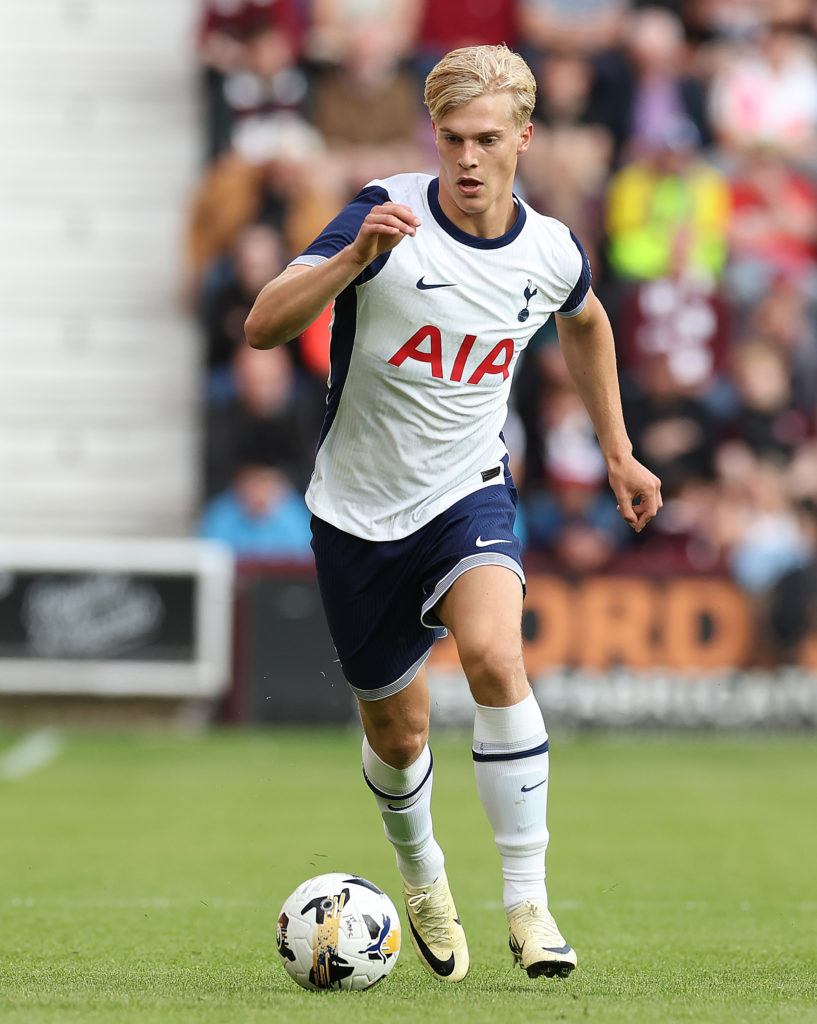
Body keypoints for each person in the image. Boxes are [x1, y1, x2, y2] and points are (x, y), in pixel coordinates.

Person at [245, 44, 662, 983]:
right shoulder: (382, 211)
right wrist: (353, 259)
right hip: (354, 511)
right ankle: (422, 874)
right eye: (449, 139)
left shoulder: (549, 248)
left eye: (485, 138)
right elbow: (264, 323)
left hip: (466, 491)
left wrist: (617, 450)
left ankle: (528, 902)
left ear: (523, 135)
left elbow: (584, 318)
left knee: (494, 655)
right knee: (397, 736)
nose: (466, 159)